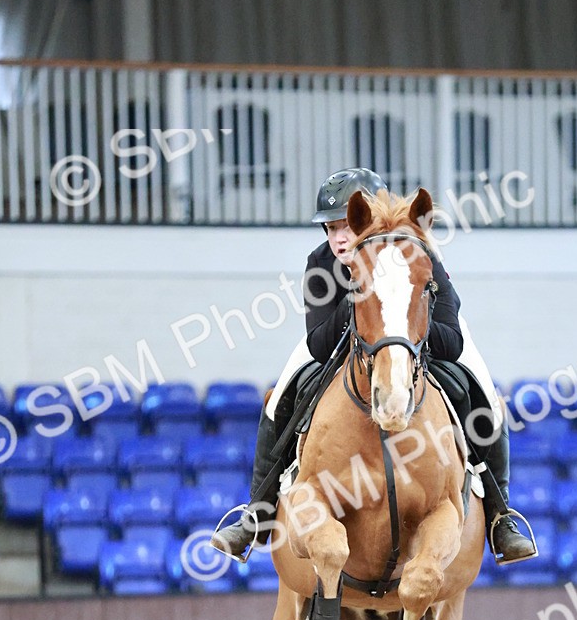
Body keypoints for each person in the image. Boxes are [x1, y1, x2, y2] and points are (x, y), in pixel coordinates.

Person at [212, 167, 536, 564]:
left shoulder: (419, 256)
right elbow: (318, 343)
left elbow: (451, 339)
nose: (339, 238)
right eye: (331, 228)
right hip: (343, 346)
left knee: (481, 391)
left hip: (418, 344)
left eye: (347, 226)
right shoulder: (321, 263)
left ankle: (501, 517)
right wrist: (359, 295)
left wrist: (402, 330)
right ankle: (256, 515)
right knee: (281, 396)